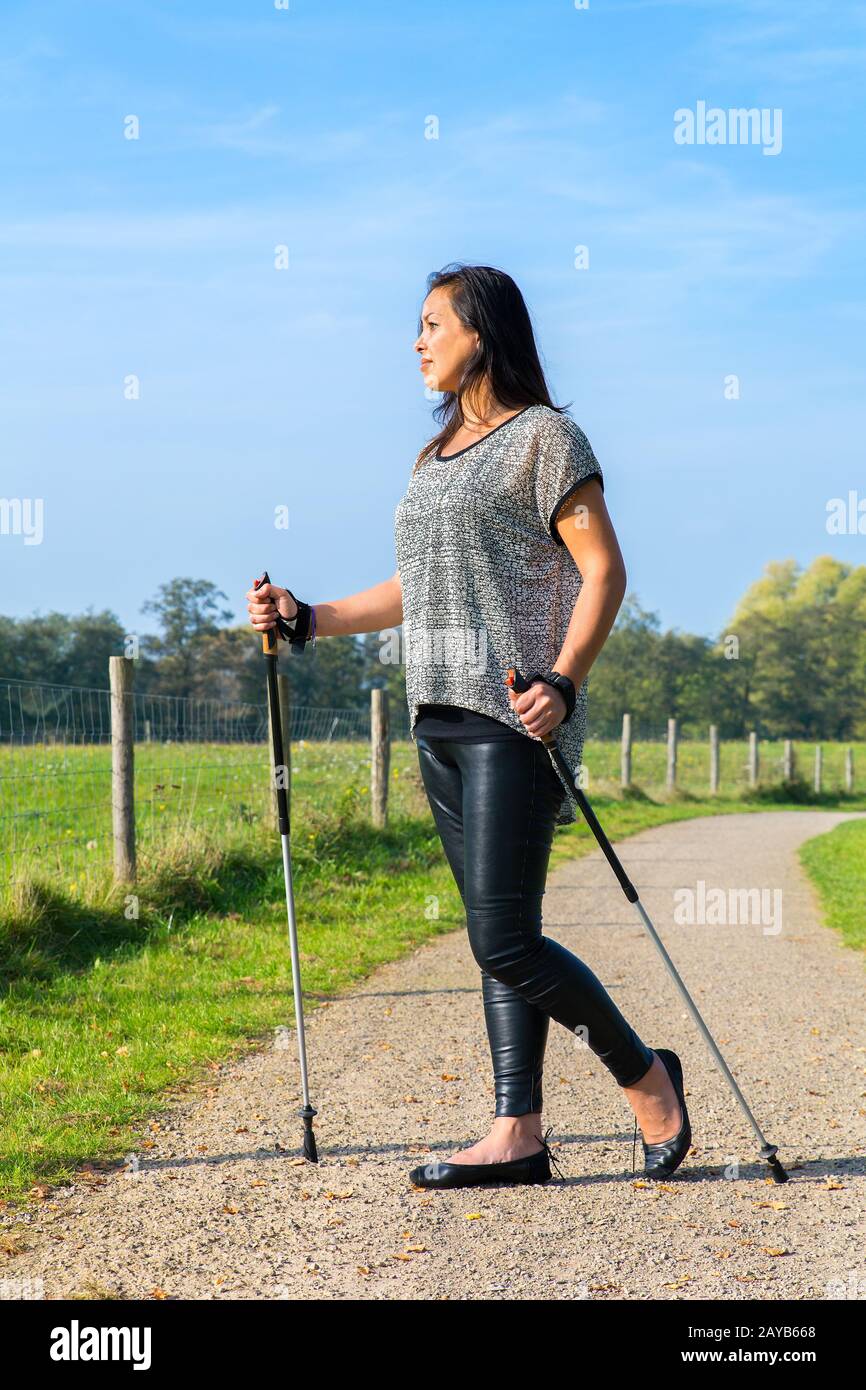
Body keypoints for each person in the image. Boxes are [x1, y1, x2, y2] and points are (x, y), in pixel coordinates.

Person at [245, 263, 691, 1190]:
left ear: (480, 332)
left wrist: (564, 683)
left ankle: (648, 1080)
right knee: (504, 929)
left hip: (513, 714)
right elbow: (422, 587)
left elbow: (604, 571)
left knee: (503, 942)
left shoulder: (546, 440)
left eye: (431, 324)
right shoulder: (436, 454)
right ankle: (516, 1132)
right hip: (436, 714)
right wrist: (309, 616)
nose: (416, 342)